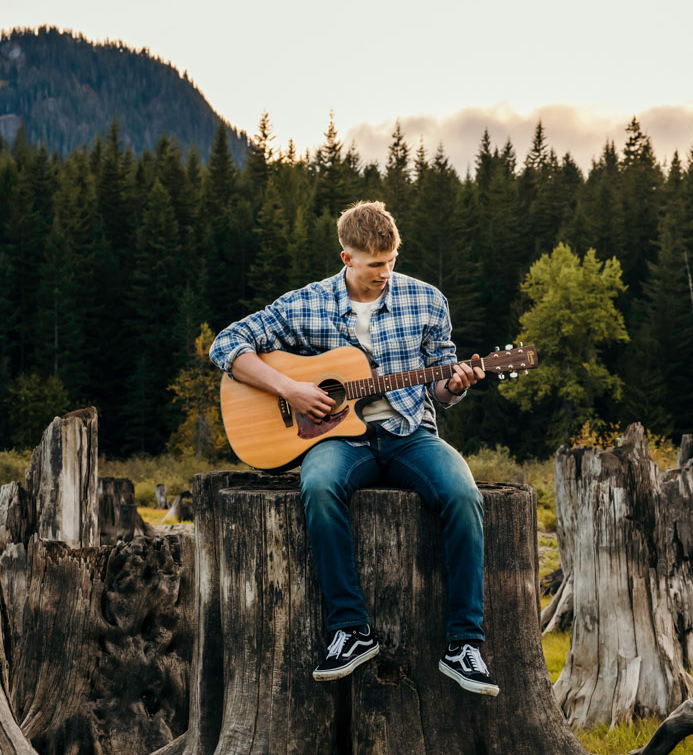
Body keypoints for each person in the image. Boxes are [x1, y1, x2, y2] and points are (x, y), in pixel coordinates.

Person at [210, 201, 497, 694]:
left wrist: (458, 383)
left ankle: (464, 644)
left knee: (463, 493)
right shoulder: (306, 303)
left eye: (391, 261)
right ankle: (350, 630)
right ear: (347, 258)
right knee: (318, 486)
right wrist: (290, 388)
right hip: (339, 442)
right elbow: (227, 344)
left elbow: (440, 387)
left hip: (410, 434)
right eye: (374, 264)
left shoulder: (428, 300)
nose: (386, 272)